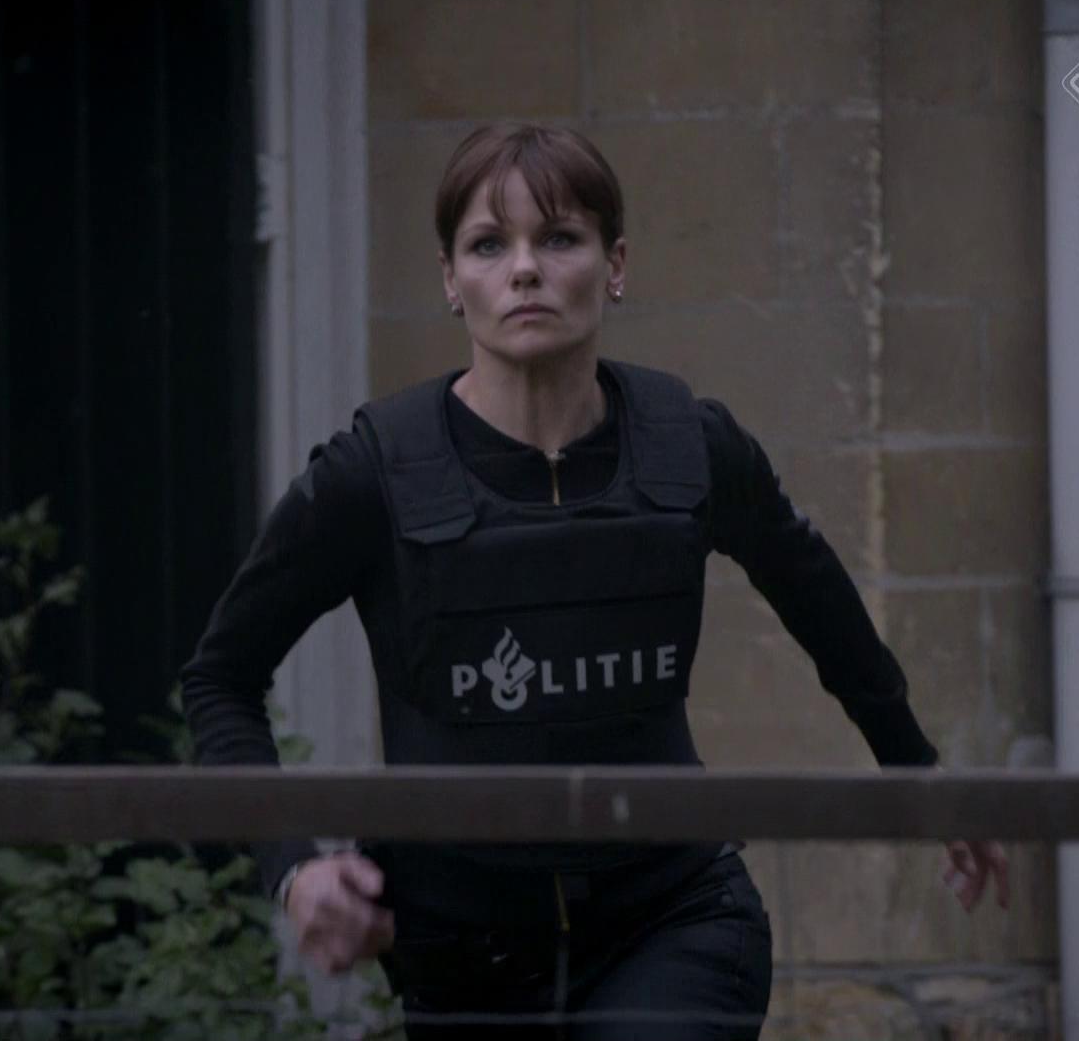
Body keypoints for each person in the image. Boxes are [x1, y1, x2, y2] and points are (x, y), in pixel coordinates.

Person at [179, 122, 1009, 1040]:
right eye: (488, 245)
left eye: (559, 238)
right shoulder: (374, 473)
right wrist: (293, 869)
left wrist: (921, 773)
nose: (524, 270)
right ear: (451, 279)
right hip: (464, 957)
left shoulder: (691, 447)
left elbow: (825, 610)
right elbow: (220, 679)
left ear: (615, 264)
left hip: (674, 921)